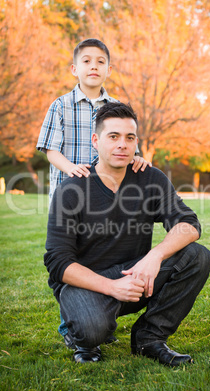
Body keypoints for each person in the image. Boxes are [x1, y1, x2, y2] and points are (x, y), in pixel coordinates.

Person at [44, 102, 210, 367]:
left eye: (129, 137)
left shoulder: (150, 179)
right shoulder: (72, 189)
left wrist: (155, 256)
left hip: (135, 276)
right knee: (92, 331)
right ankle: (79, 332)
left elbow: (189, 223)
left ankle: (149, 338)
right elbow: (57, 262)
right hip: (87, 284)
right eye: (113, 136)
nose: (122, 144)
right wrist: (112, 287)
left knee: (197, 256)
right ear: (96, 140)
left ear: (136, 142)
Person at [37, 39, 149, 345]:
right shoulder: (61, 105)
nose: (93, 67)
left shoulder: (115, 107)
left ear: (109, 70)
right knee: (72, 261)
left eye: (100, 62)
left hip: (106, 197)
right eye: (86, 61)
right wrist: (71, 166)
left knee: (100, 257)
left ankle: (100, 317)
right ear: (75, 69)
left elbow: (127, 142)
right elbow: (49, 149)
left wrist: (137, 158)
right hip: (71, 195)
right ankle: (73, 329)